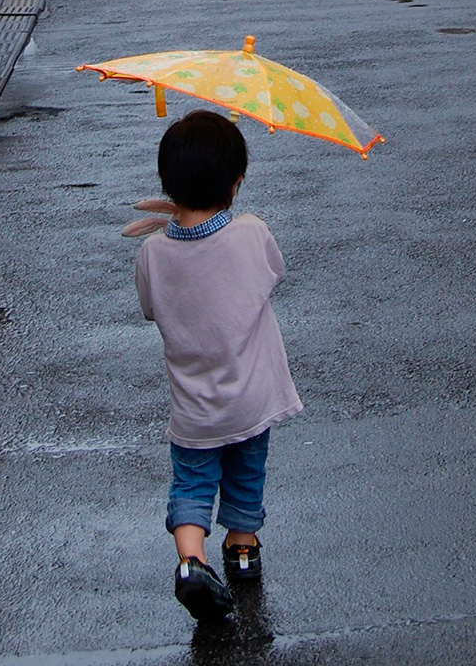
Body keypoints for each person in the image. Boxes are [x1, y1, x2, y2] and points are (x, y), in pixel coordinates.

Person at [133, 110, 302, 621]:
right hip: (251, 397)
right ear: (236, 183)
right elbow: (274, 272)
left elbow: (149, 306)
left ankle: (191, 560)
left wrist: (170, 232)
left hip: (193, 411)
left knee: (191, 483)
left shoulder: (151, 252)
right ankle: (243, 547)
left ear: (168, 184)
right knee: (247, 472)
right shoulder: (251, 233)